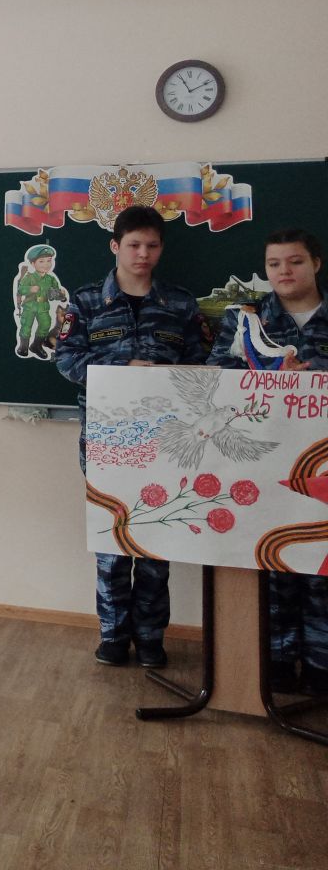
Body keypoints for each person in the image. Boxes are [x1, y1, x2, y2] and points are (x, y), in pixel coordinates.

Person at [55, 205, 206, 668]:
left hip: (168, 443)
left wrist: (168, 377)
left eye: (152, 245)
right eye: (134, 245)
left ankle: (151, 637)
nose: (143, 254)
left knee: (157, 543)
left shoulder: (180, 303)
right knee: (112, 544)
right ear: (115, 246)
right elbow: (66, 360)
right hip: (107, 442)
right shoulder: (85, 302)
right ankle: (113, 636)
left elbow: (203, 366)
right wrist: (123, 369)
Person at [206, 227, 328, 695]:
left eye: (295, 261)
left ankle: (320, 667)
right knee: (274, 563)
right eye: (274, 264)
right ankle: (275, 662)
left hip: (322, 467)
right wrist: (273, 374)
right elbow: (217, 375)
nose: (284, 271)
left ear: (315, 263)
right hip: (265, 463)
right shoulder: (246, 320)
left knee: (320, 566)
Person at [13, 243, 68, 360]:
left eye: (49, 261)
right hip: (30, 306)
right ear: (33, 263)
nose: (46, 264)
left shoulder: (51, 279)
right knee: (26, 326)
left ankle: (36, 346)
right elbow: (20, 290)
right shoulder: (29, 277)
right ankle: (23, 347)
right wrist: (30, 289)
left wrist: (61, 296)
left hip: (43, 306)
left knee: (45, 324)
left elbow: (55, 293)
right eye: (41, 261)